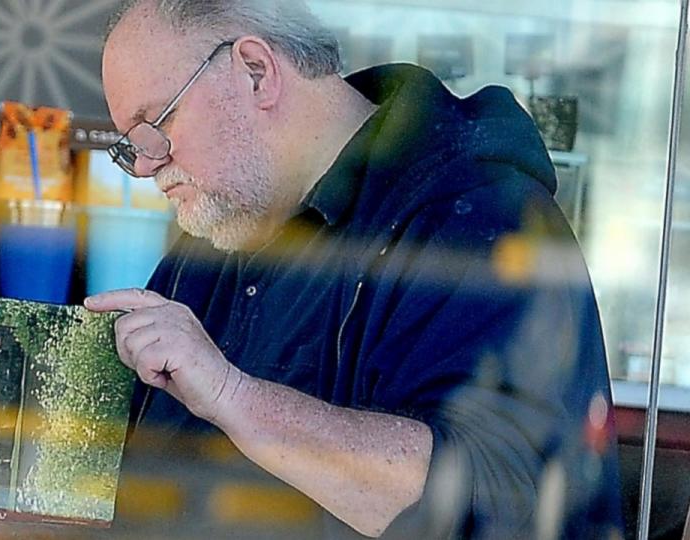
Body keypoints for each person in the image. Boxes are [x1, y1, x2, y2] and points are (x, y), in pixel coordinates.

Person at [84, 0, 623, 538]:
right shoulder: (221, 231)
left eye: (156, 123)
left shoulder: (480, 217)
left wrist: (232, 396)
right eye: (133, 146)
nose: (148, 165)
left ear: (256, 72)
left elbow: (495, 498)